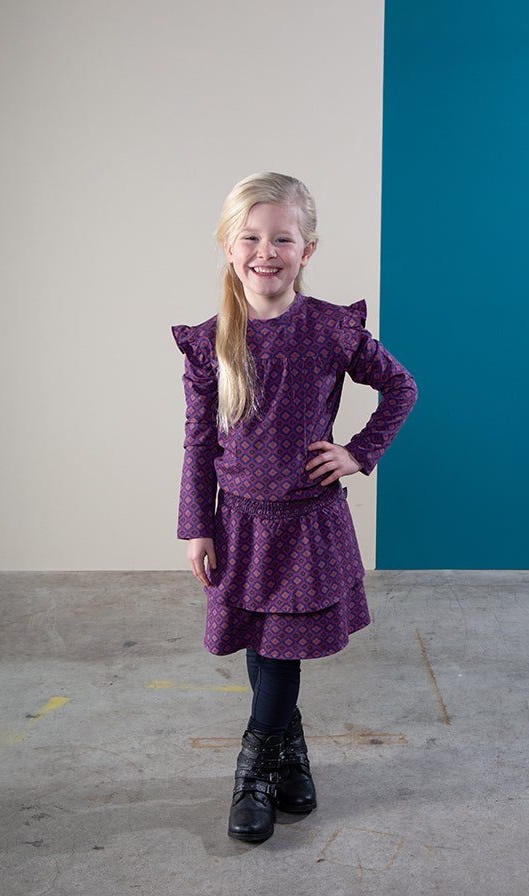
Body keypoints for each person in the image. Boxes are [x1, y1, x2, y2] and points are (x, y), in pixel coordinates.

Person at [172, 172, 417, 842]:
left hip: (306, 521)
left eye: (282, 239)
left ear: (306, 250)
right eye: (250, 238)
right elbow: (198, 439)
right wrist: (197, 526)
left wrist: (359, 452)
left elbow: (400, 386)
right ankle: (290, 751)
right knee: (262, 639)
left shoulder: (331, 329)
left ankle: (253, 769)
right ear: (228, 245)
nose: (266, 252)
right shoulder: (209, 342)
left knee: (281, 650)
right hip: (240, 522)